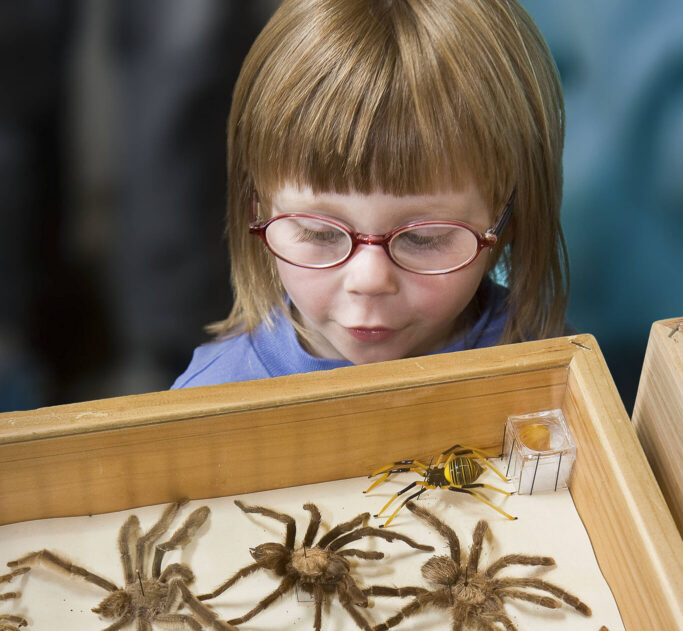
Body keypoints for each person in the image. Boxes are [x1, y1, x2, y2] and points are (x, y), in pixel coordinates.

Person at [172, 0, 567, 390]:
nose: (369, 280)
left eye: (423, 237)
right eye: (319, 232)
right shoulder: (210, 399)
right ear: (256, 207)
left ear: (510, 216)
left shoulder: (560, 377)